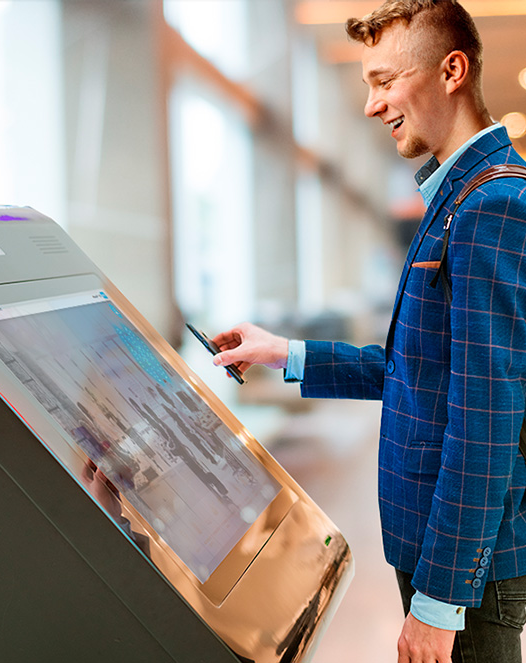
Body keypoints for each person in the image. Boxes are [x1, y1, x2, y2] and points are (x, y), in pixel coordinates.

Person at [212, 1, 526, 661]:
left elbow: (485, 421)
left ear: (452, 70)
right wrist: (283, 351)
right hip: (440, 550)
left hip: (467, 571)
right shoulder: (457, 195)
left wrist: (440, 604)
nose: (370, 104)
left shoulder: (492, 206)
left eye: (385, 80)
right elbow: (415, 370)